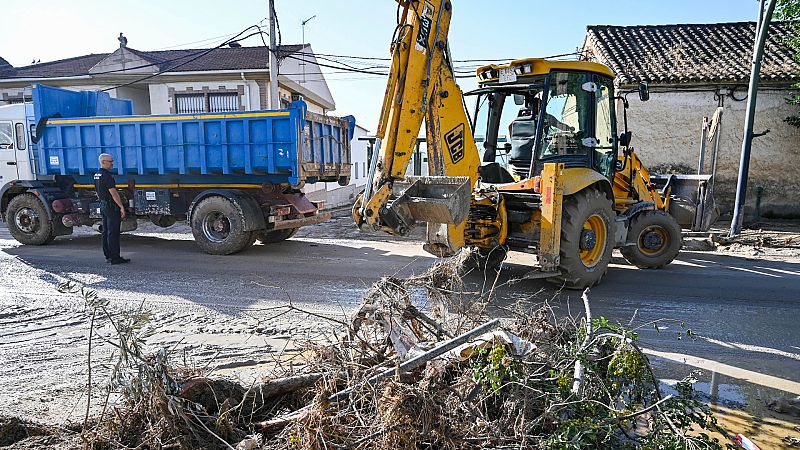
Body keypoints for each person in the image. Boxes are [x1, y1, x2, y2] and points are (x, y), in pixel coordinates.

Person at [94, 153, 130, 264]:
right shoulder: (107, 176)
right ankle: (115, 258)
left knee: (106, 231)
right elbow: (114, 193)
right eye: (110, 161)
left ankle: (108, 255)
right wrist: (121, 207)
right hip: (111, 206)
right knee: (113, 232)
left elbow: (97, 191)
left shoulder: (97, 175)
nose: (112, 163)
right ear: (103, 162)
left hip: (103, 205)